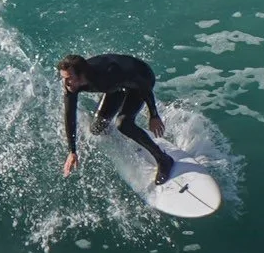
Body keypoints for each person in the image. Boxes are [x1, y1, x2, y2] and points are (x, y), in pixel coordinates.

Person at [58, 52, 176, 185]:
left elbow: (144, 86)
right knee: (97, 128)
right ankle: (132, 136)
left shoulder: (107, 75)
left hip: (141, 79)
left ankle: (163, 159)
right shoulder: (71, 86)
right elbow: (69, 114)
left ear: (81, 75)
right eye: (63, 78)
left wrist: (154, 115)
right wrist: (72, 151)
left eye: (69, 78)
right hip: (117, 86)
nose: (65, 82)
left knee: (123, 124)